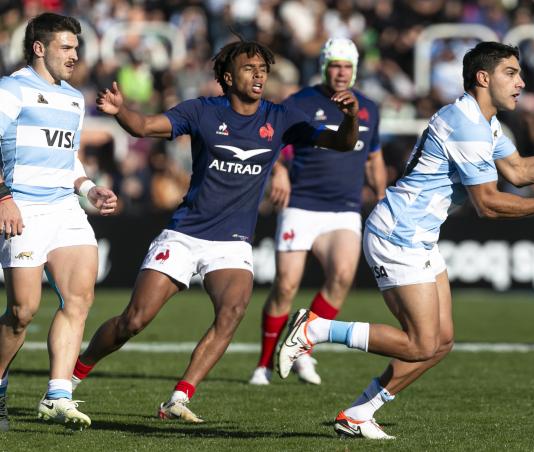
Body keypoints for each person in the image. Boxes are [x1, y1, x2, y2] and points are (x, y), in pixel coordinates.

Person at [276, 41, 534, 439]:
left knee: (441, 342)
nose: (521, 83)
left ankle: (358, 413)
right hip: (398, 235)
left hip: (417, 236)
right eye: (512, 73)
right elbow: (488, 204)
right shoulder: (466, 125)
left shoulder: (483, 121)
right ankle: (314, 330)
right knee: (421, 344)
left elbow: (520, 170)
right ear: (483, 77)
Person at [70, 39, 359, 423]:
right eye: (249, 68)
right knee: (133, 321)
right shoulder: (202, 111)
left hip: (232, 244)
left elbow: (342, 142)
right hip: (185, 234)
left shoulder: (281, 117)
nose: (258, 76)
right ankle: (73, 374)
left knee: (233, 309)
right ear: (227, 76)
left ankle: (179, 397)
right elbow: (143, 127)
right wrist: (122, 110)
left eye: (263, 70)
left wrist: (350, 118)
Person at [0, 13, 118, 431]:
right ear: (39, 47)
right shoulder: (10, 90)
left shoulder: (73, 98)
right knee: (22, 311)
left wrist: (89, 189)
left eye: (75, 47)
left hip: (65, 209)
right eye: (66, 47)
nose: (74, 55)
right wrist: (4, 198)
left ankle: (57, 394)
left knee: (79, 298)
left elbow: (69, 158)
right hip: (23, 209)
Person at [249, 38, 386, 386]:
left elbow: (374, 157)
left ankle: (302, 348)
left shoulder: (369, 107)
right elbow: (273, 142)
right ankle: (263, 365)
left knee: (341, 278)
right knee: (286, 285)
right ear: (324, 67)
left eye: (346, 66)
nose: (340, 73)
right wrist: (279, 171)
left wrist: (382, 195)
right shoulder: (300, 102)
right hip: (302, 206)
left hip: (345, 209)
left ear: (354, 69)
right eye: (334, 65)